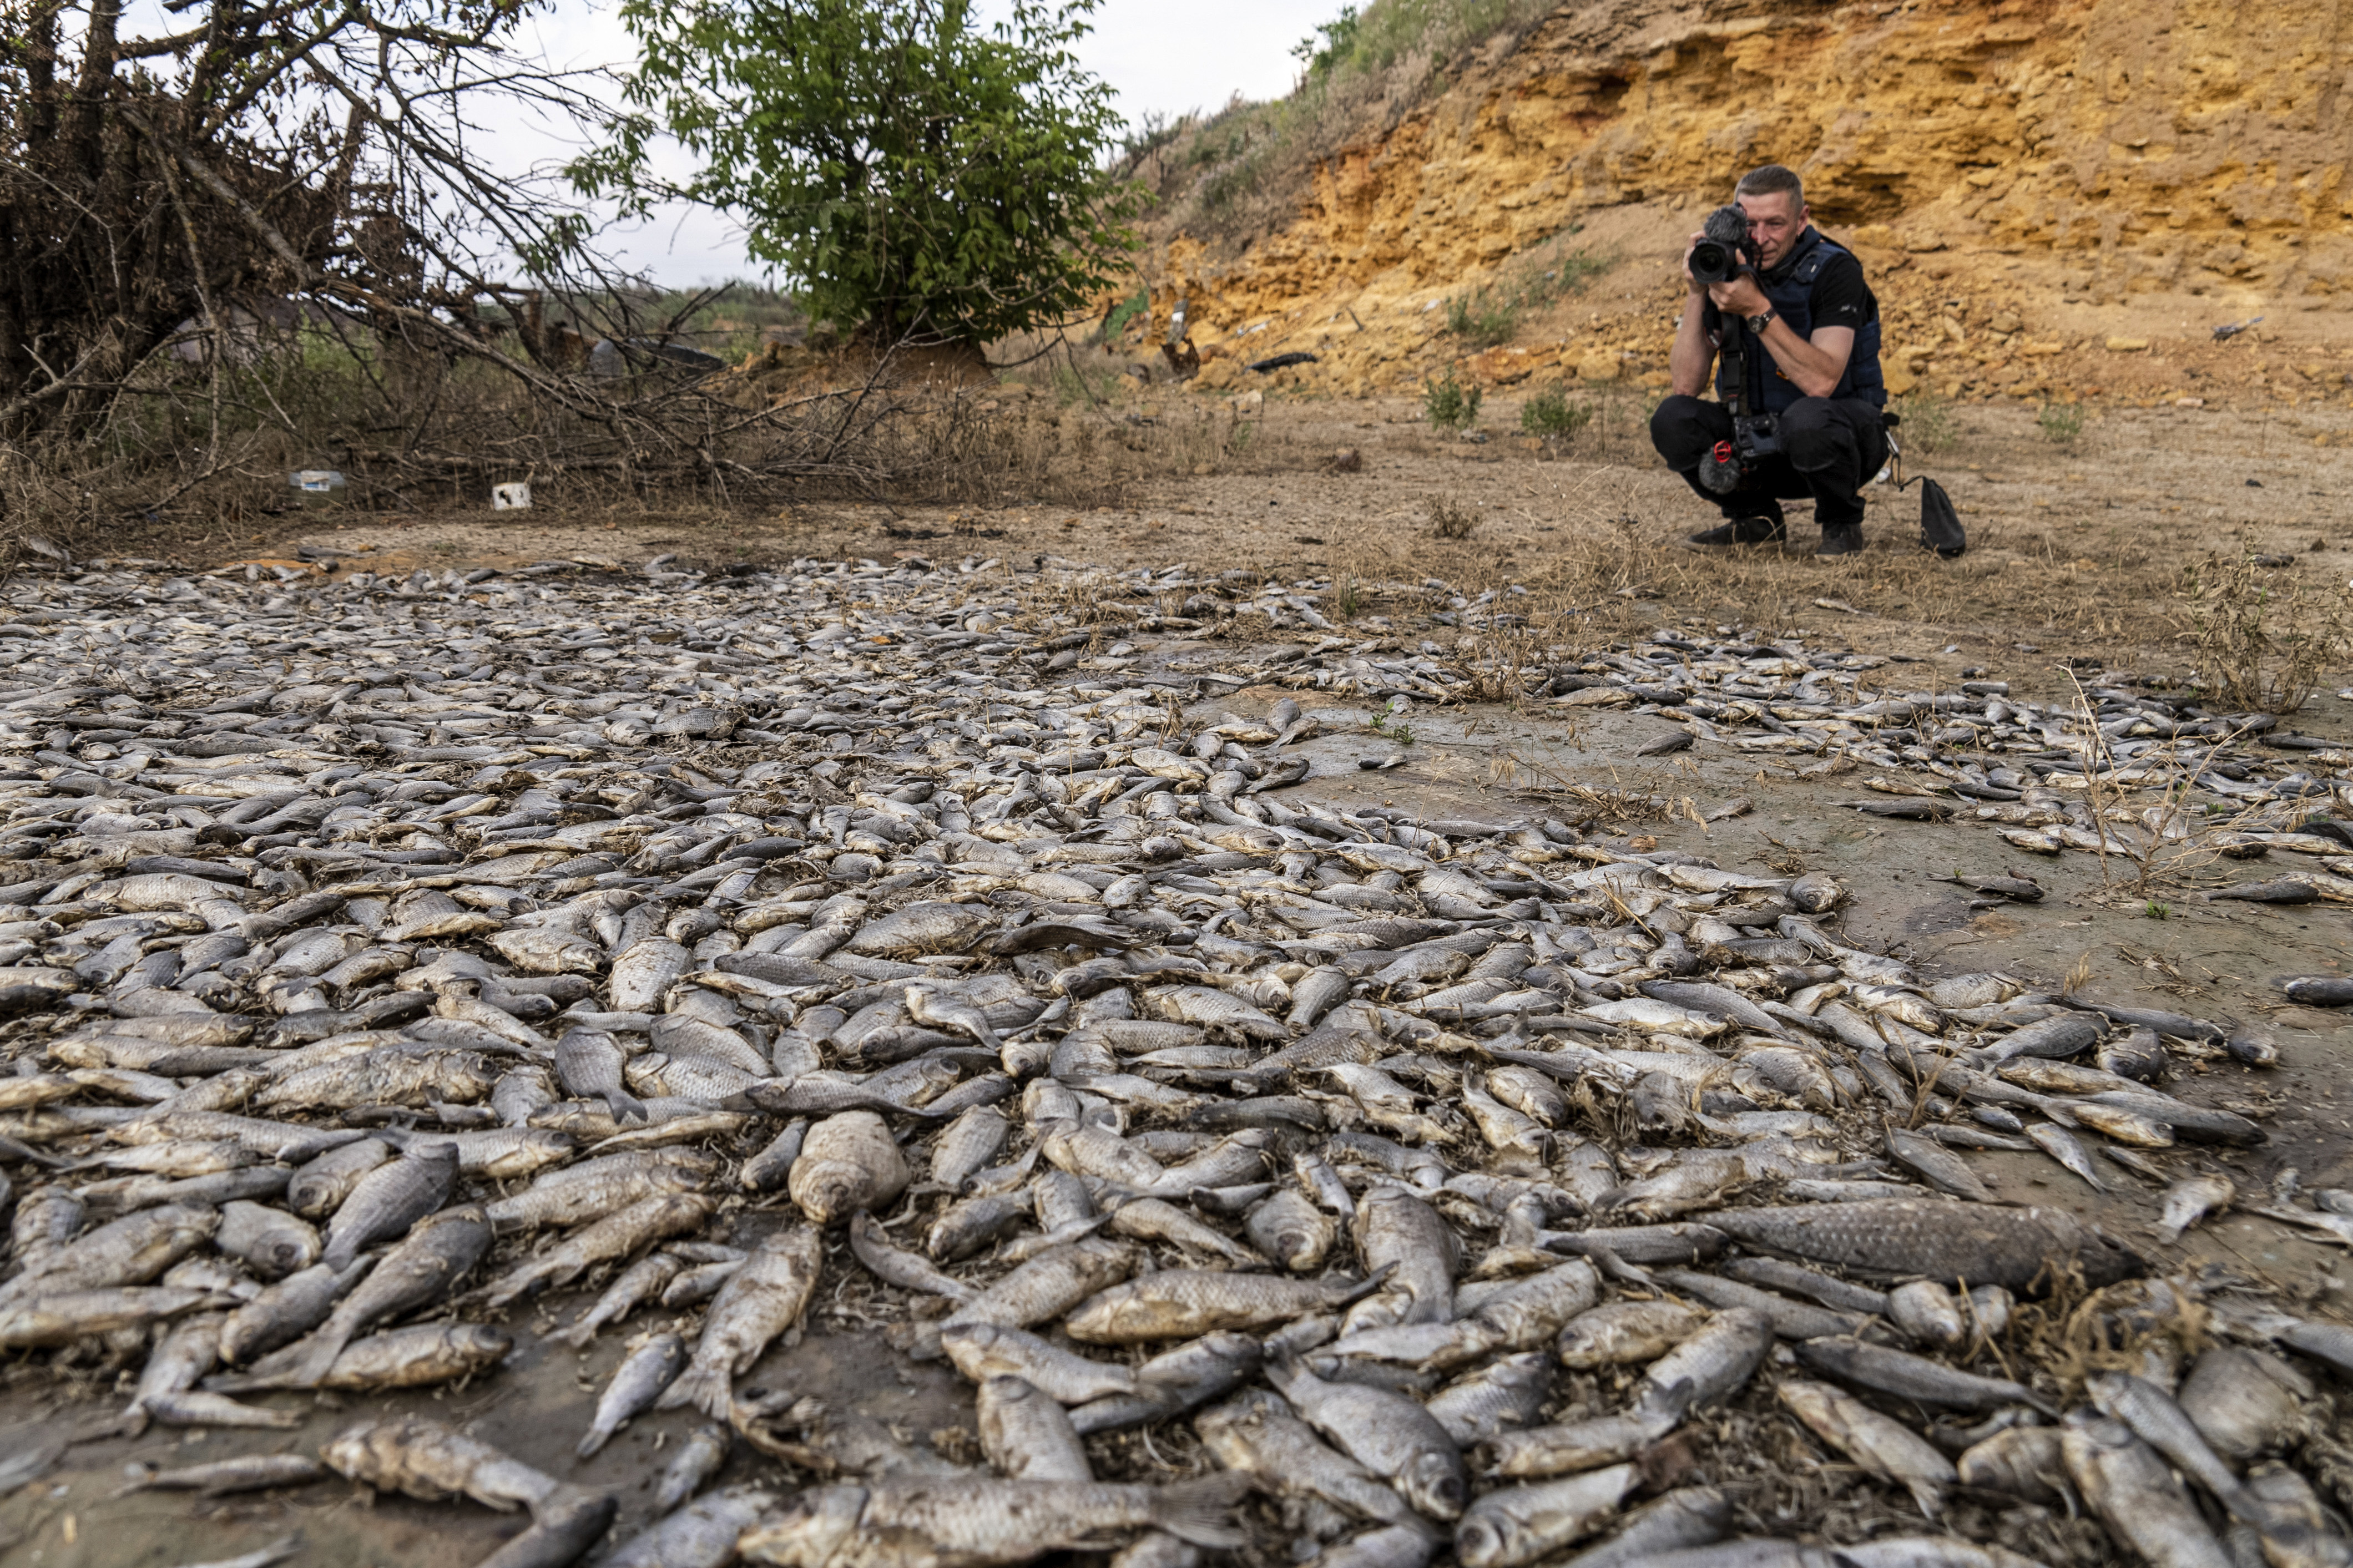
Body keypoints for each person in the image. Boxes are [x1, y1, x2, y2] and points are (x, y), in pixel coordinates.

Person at [1649, 165, 1888, 558]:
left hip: (1838, 444)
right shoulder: (1728, 270)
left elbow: (1821, 383)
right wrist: (1697, 289)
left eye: (1775, 224)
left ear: (1802, 220)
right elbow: (1686, 386)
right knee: (1673, 418)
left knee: (1808, 417)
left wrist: (1757, 309)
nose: (1760, 239)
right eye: (1750, 225)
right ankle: (1755, 521)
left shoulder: (1836, 270)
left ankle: (1841, 524)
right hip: (1755, 445)